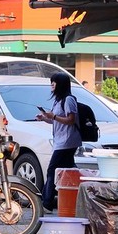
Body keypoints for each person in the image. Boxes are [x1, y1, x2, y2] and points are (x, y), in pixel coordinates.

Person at [35, 72, 82, 212]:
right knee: (69, 170)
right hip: (61, 141)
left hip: (67, 142)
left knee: (52, 169)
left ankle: (47, 203)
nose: (52, 85)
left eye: (53, 83)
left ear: (60, 84)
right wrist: (45, 118)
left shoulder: (68, 100)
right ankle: (75, 195)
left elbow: (71, 120)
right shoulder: (58, 100)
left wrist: (53, 116)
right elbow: (56, 120)